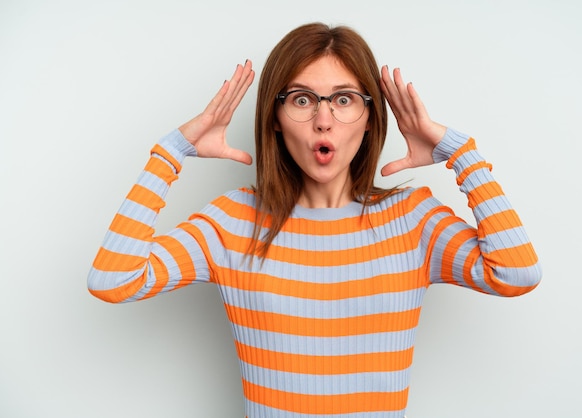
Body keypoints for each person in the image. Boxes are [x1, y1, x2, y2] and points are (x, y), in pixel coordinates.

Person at [88, 22, 541, 418]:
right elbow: (113, 279)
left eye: (343, 99)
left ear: (369, 120)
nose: (323, 120)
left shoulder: (413, 221)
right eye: (302, 99)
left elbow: (516, 271)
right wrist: (171, 152)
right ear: (276, 120)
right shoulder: (233, 222)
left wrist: (459, 153)